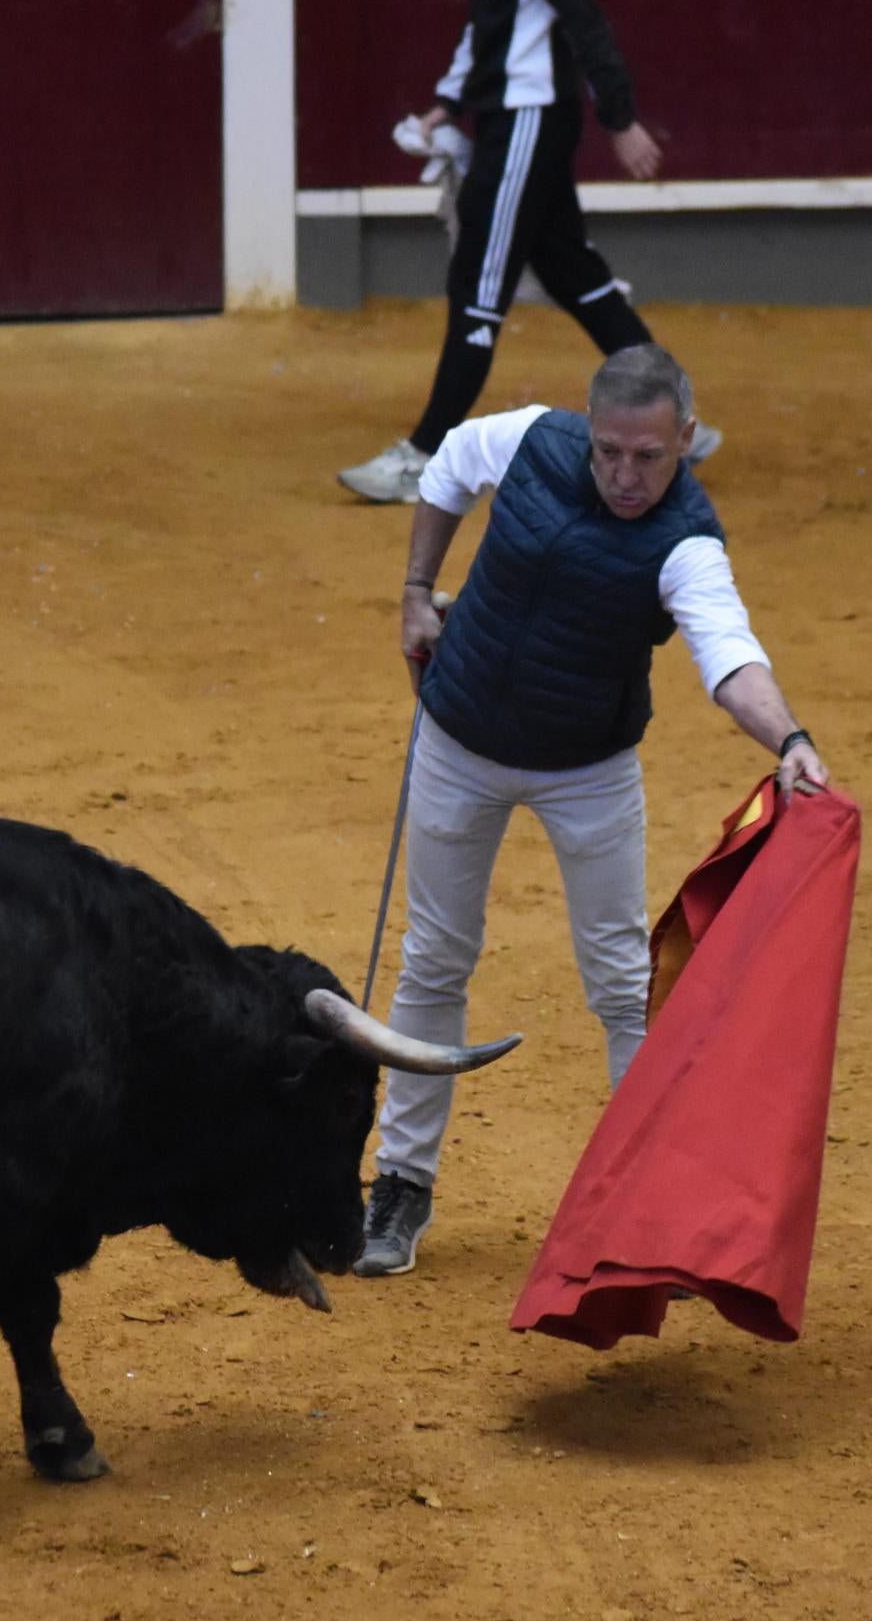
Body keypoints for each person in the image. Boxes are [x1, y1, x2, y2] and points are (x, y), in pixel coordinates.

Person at [353, 344, 830, 1278]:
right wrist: (415, 591)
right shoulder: (534, 437)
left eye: (648, 457)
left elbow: (728, 658)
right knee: (434, 961)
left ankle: (648, 1196)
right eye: (610, 451)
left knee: (621, 981)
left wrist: (790, 739)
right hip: (458, 741)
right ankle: (400, 1185)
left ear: (686, 440)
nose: (624, 475)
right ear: (589, 428)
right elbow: (449, 463)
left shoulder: (688, 540)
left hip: (589, 772)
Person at [337, 0, 697, 507]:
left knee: (479, 281)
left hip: (529, 116)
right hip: (513, 110)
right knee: (572, 271)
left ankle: (426, 455)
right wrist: (448, 98)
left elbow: (581, 14)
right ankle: (682, 418)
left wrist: (621, 117)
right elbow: (493, 17)